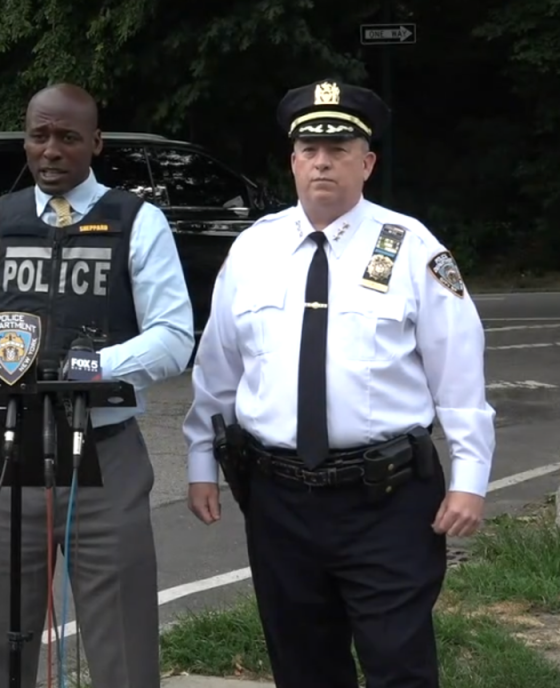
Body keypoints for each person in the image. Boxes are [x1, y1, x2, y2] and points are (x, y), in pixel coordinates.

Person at [183, 78, 496, 688]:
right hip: (278, 500)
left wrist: (471, 479)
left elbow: (458, 370)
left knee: (398, 663)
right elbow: (217, 369)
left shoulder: (411, 248)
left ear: (367, 162)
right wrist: (199, 462)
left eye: (341, 148)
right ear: (293, 161)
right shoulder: (252, 249)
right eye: (309, 150)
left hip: (387, 499)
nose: (323, 161)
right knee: (302, 664)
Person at [0, 83, 195, 688]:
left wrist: (91, 369)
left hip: (103, 454)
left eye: (67, 137)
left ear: (95, 143)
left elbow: (174, 334)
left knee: (122, 648)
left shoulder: (138, 220)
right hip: (4, 453)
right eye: (39, 135)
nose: (50, 150)